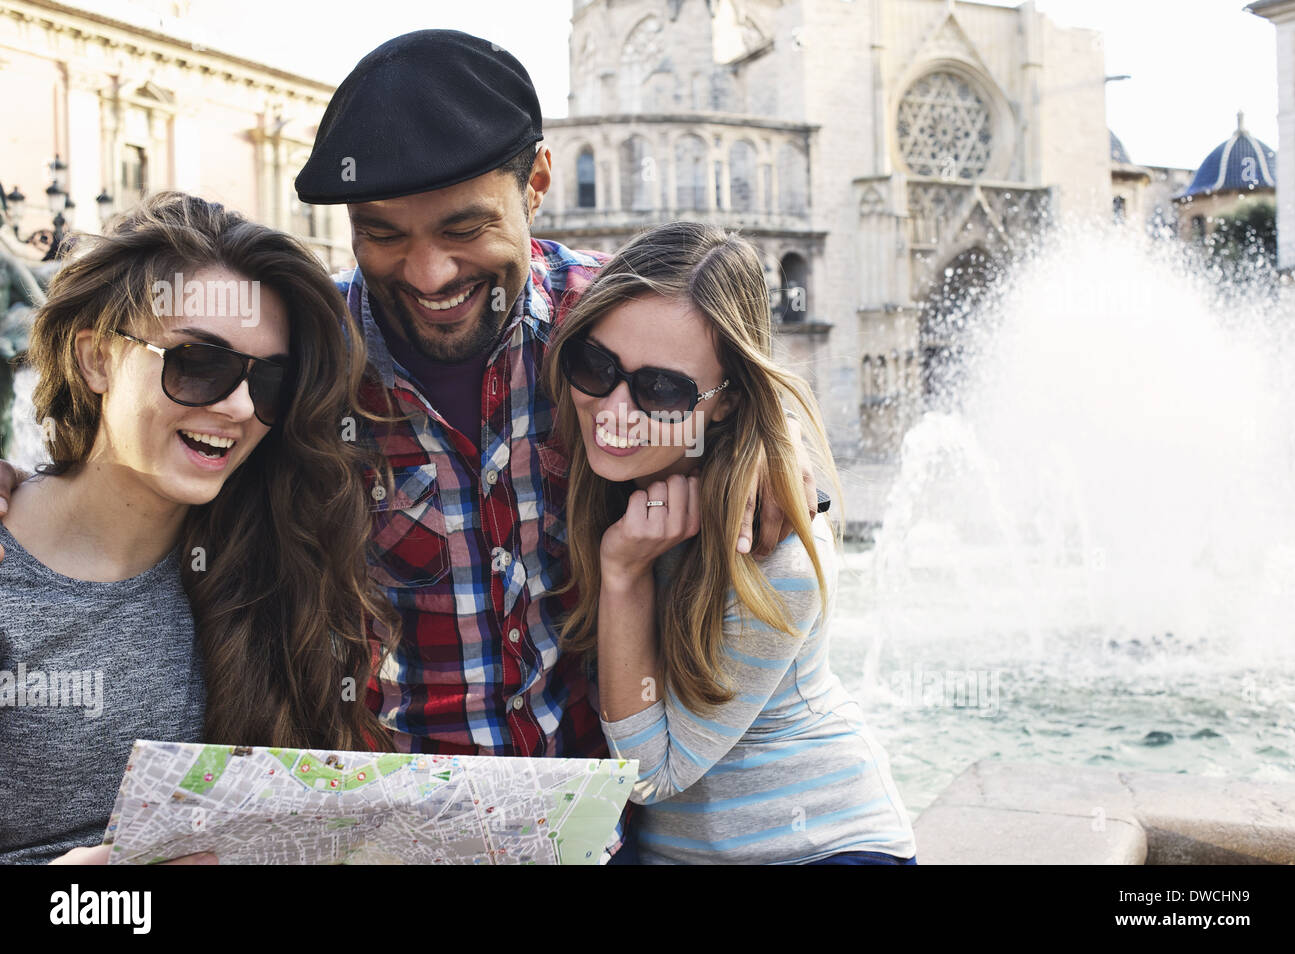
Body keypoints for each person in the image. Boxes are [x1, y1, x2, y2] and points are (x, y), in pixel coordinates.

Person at [0, 30, 812, 863]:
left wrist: (770, 458)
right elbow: (142, 456)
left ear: (536, 183)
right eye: (382, 233)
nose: (428, 274)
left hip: (592, 836)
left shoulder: (609, 337)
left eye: (464, 228)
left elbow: (732, 391)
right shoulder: (306, 364)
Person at [0, 192, 391, 864]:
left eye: (270, 380)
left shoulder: (276, 570)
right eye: (197, 363)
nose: (238, 405)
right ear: (98, 360)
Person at [542, 221, 918, 864]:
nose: (615, 411)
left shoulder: (776, 552)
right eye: (596, 365)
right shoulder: (623, 472)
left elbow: (654, 775)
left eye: (664, 390)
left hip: (821, 848)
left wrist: (624, 576)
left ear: (727, 400)